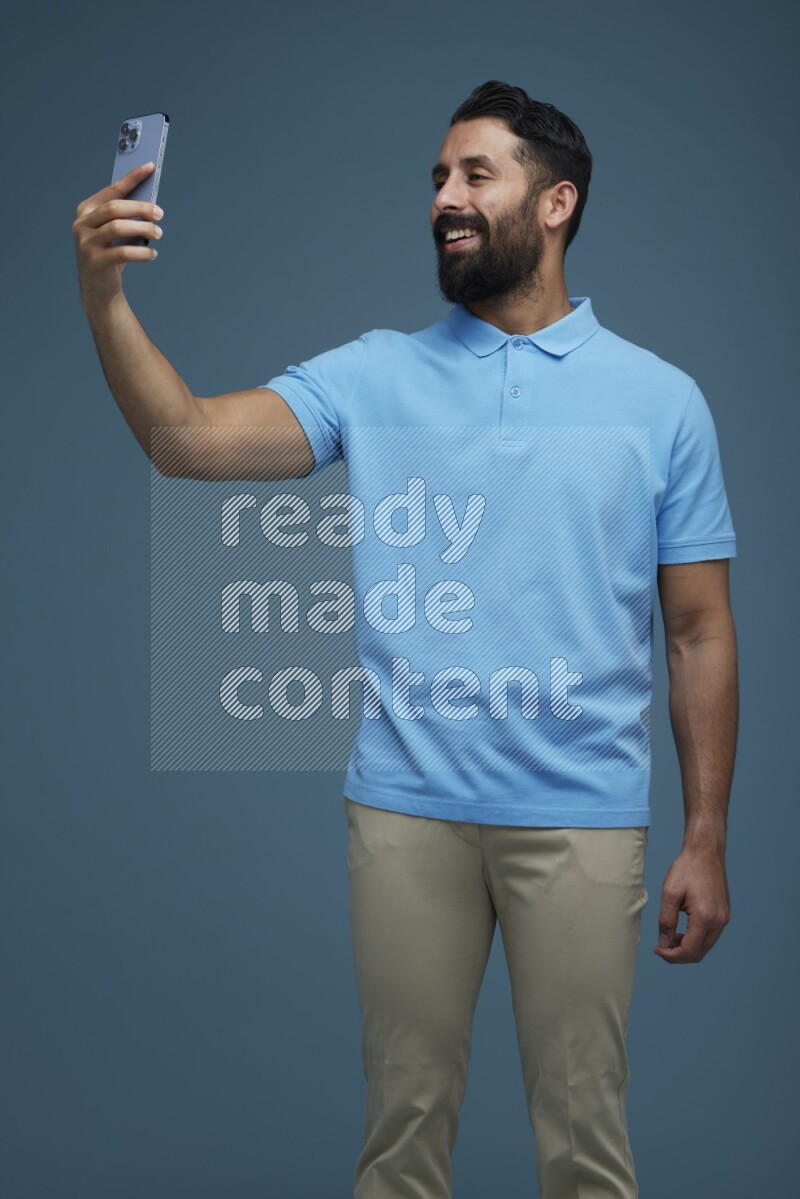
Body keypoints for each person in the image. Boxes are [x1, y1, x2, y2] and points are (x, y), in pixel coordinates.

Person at [73, 79, 738, 1199]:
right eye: (437, 176)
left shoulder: (662, 400)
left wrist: (705, 833)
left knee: (585, 1142)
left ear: (556, 201)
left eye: (476, 173)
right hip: (404, 813)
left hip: (580, 816)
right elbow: (185, 441)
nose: (445, 196)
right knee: (399, 1139)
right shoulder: (370, 372)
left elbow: (696, 627)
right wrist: (104, 299)